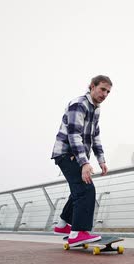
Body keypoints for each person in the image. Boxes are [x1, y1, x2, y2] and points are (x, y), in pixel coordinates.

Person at [51, 75, 112, 246]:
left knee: (79, 189)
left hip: (76, 155)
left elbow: (95, 136)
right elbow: (74, 134)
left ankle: (63, 224)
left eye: (108, 92)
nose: (105, 94)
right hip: (66, 153)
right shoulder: (79, 104)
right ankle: (77, 233)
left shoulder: (96, 109)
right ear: (92, 86)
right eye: (102, 89)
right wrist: (84, 163)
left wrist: (101, 159)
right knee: (86, 190)